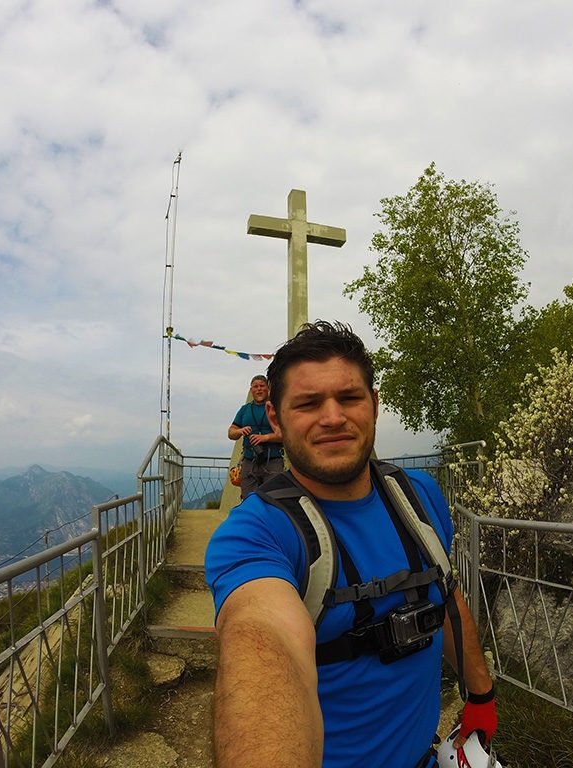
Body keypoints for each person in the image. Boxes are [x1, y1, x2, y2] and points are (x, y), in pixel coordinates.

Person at [205, 321, 497, 768]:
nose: (333, 417)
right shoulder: (254, 533)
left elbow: (446, 598)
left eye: (349, 397)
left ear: (375, 405)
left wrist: (481, 695)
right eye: (308, 403)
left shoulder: (419, 497)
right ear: (276, 419)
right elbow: (261, 639)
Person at [228, 374, 284, 498]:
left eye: (262, 386)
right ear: (251, 390)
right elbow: (231, 433)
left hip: (273, 460)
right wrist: (239, 431)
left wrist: (266, 438)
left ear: (268, 389)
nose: (259, 389)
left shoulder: (277, 408)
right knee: (248, 499)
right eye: (255, 386)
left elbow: (287, 434)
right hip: (249, 460)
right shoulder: (244, 409)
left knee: (273, 499)